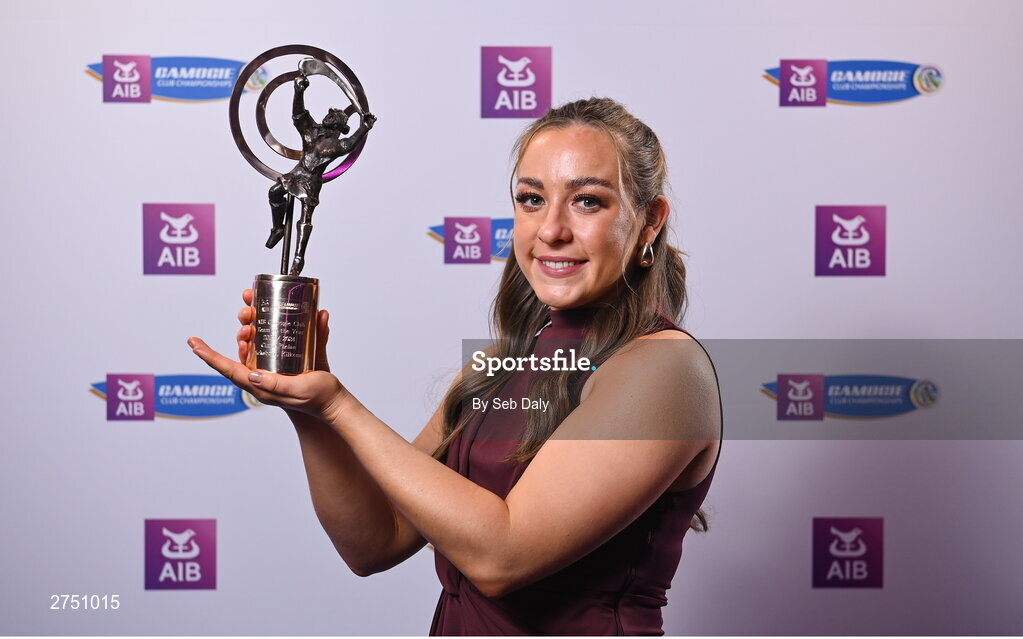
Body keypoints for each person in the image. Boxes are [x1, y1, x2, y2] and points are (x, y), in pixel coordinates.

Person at [189, 97, 722, 635]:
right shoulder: (498, 365)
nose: (551, 230)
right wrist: (308, 407)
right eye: (532, 199)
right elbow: (375, 541)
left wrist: (339, 404)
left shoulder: (666, 369)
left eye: (587, 201)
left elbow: (503, 556)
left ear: (650, 221)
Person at [266, 72, 376, 275]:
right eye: (329, 113)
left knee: (305, 220)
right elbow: (298, 114)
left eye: (333, 116)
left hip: (311, 183)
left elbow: (350, 144)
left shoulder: (336, 144)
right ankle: (277, 228)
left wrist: (364, 127)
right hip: (297, 174)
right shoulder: (311, 130)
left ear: (337, 124)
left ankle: (298, 260)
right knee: (274, 192)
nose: (328, 116)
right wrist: (298, 90)